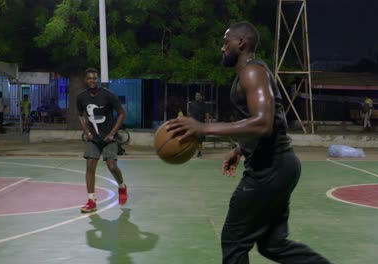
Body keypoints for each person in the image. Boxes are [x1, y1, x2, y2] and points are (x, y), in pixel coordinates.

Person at [167, 21, 330, 264]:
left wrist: (204, 127)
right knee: (272, 245)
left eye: (226, 42)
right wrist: (241, 148)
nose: (222, 48)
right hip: (279, 165)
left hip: (270, 168)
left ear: (241, 43)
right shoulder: (252, 74)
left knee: (234, 242)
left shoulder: (252, 72)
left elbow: (263, 123)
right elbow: (277, 118)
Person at [77, 68, 128, 213]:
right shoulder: (81, 97)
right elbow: (80, 115)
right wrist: (86, 131)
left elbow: (122, 114)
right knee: (90, 166)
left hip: (109, 137)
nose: (92, 80)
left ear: (97, 79)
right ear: (85, 80)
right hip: (93, 138)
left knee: (112, 166)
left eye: (94, 78)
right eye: (89, 78)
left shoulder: (108, 95)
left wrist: (112, 133)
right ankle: (91, 200)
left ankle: (122, 187)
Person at [188, 92, 210, 157]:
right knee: (193, 138)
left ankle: (199, 152)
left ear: (201, 97)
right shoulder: (191, 104)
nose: (197, 96)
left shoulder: (204, 105)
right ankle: (191, 151)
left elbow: (207, 114)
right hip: (193, 124)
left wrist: (207, 124)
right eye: (196, 95)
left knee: (200, 140)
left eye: (198, 95)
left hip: (201, 124)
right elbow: (189, 114)